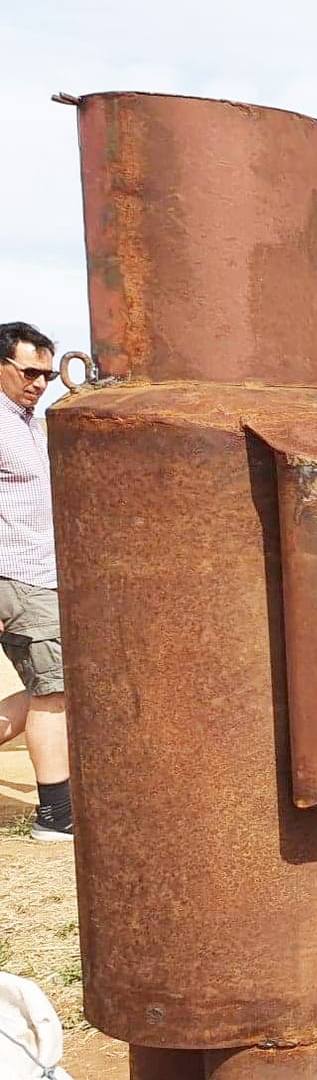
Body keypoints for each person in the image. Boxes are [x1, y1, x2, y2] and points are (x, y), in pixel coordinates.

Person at [0, 322, 72, 841]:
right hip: (17, 574)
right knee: (54, 690)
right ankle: (55, 815)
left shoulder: (26, 422)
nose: (40, 382)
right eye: (30, 371)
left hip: (42, 575)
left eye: (47, 374)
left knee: (51, 684)